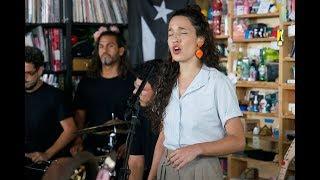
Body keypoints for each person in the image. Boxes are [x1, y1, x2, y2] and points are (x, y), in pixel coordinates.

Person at [149, 5, 245, 180]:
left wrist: (197, 149)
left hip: (201, 169)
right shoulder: (167, 83)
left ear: (200, 40)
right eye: (171, 33)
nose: (174, 39)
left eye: (182, 32)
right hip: (167, 168)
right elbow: (164, 137)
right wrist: (152, 176)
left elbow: (238, 140)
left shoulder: (217, 83)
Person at [70, 28, 135, 177]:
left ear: (121, 51)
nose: (104, 50)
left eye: (110, 46)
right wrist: (78, 140)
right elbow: (80, 115)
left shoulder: (132, 82)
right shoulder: (87, 82)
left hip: (122, 151)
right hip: (92, 148)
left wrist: (130, 144)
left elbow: (141, 118)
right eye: (101, 46)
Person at [25, 46, 77, 179]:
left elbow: (70, 130)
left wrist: (47, 154)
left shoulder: (55, 96)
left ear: (40, 70)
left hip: (47, 166)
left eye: (29, 73)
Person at [128, 59, 163, 180]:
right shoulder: (140, 114)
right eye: (135, 87)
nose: (134, 92)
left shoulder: (173, 115)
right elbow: (135, 162)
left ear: (159, 89)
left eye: (141, 89)